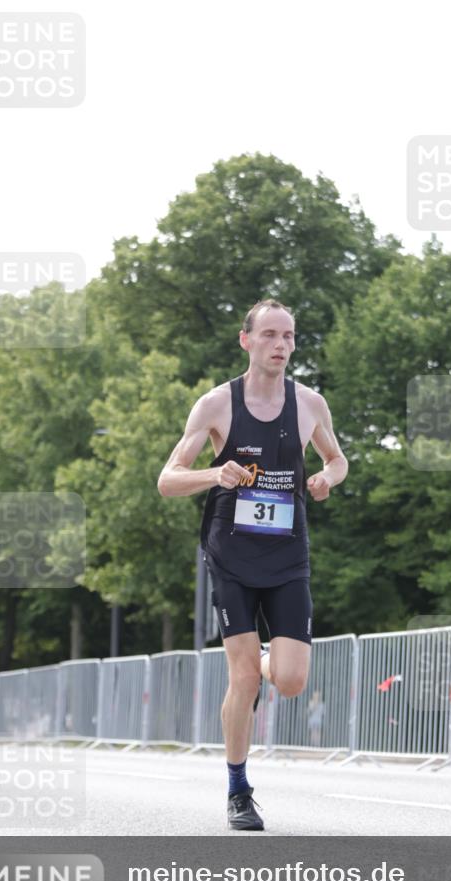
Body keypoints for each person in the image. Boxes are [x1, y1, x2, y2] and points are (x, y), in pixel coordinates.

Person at [157, 298, 348, 830]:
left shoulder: (310, 404)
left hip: (287, 555)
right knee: (242, 678)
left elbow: (337, 458)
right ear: (245, 340)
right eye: (269, 335)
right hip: (232, 555)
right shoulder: (216, 405)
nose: (281, 345)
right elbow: (168, 479)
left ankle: (266, 659)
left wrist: (326, 480)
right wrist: (213, 475)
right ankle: (238, 789)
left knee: (287, 681)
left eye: (288, 336)